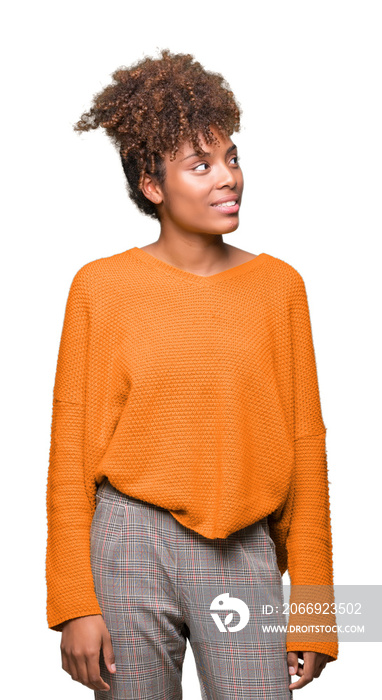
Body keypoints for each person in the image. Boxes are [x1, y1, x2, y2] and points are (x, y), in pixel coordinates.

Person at [45, 48, 339, 698]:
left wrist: (315, 615)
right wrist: (74, 604)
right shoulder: (101, 289)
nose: (227, 178)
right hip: (128, 543)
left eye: (232, 157)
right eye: (200, 165)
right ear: (153, 186)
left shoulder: (280, 288)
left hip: (243, 545)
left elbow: (305, 450)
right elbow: (69, 458)